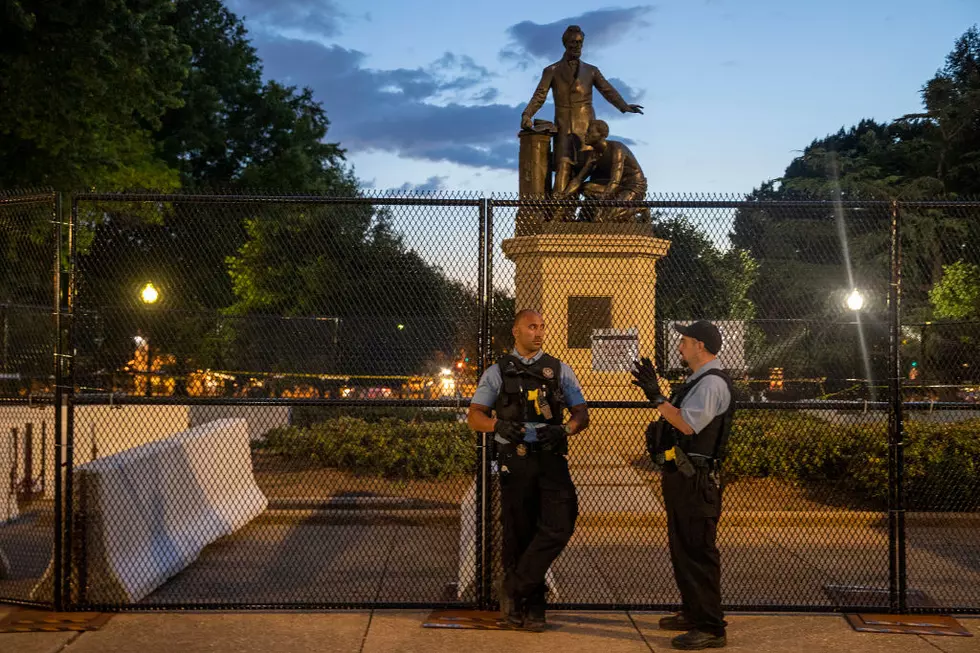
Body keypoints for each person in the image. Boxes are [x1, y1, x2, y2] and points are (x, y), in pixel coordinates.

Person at [466, 309, 589, 631]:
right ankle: (526, 609)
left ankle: (514, 588)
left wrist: (566, 429)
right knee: (517, 532)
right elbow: (475, 416)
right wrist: (499, 425)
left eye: (542, 327)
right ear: (516, 332)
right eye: (532, 327)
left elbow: (581, 413)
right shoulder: (498, 372)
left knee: (559, 524)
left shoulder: (559, 370)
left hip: (550, 457)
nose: (539, 333)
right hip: (515, 460)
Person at [631, 320, 735, 650]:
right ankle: (694, 612)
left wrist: (656, 396)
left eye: (685, 341)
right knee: (683, 549)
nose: (680, 347)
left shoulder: (711, 384)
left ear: (700, 346)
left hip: (697, 479)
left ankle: (710, 626)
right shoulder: (698, 381)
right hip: (684, 476)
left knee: (697, 552)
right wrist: (661, 393)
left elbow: (687, 425)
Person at [520, 25, 643, 195]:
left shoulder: (591, 70)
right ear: (565, 44)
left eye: (580, 42)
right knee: (563, 166)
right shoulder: (552, 71)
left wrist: (624, 106)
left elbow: (607, 90)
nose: (577, 46)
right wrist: (527, 114)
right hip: (564, 129)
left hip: (587, 129)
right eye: (573, 42)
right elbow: (539, 96)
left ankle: (592, 209)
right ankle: (557, 209)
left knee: (587, 168)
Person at [558, 119, 648, 223]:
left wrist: (602, 204)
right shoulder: (594, 154)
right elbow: (579, 179)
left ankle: (640, 207)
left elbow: (615, 181)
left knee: (605, 219)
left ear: (601, 135)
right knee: (585, 187)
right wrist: (564, 195)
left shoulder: (616, 149)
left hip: (633, 186)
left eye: (589, 132)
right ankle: (568, 217)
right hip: (616, 187)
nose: (585, 135)